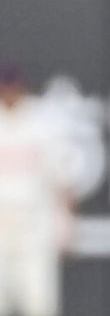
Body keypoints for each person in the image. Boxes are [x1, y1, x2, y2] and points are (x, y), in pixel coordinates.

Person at [0, 62, 75, 316]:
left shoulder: (41, 120)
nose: (9, 91)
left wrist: (65, 218)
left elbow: (60, 174)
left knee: (39, 302)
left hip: (33, 221)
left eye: (12, 85)